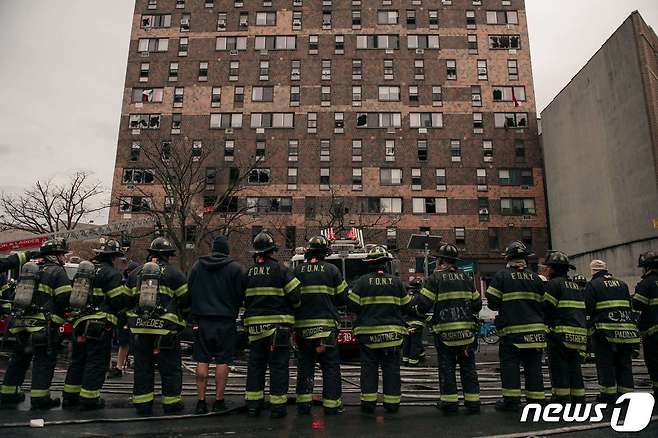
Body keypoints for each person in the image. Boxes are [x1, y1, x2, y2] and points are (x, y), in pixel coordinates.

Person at [0, 239, 72, 409]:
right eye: (62, 254)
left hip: (20, 324)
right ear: (54, 256)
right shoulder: (57, 271)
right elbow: (64, 298)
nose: (63, 257)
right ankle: (40, 398)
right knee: (43, 361)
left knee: (19, 358)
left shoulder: (29, 271)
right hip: (44, 326)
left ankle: (8, 393)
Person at [413, 244, 482, 415]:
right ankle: (473, 403)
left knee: (447, 368)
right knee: (468, 369)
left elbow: (423, 305)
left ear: (441, 260)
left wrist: (413, 310)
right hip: (467, 335)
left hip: (445, 335)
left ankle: (450, 403)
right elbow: (477, 305)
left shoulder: (435, 279)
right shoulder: (466, 279)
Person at [126, 237, 190, 416]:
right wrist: (182, 321)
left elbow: (126, 300)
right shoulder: (175, 274)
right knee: (170, 368)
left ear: (151, 253)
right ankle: (171, 404)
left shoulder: (135, 274)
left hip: (140, 329)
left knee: (142, 367)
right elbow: (185, 301)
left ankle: (142, 404)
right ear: (168, 256)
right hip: (166, 330)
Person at [62, 240, 128, 410]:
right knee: (96, 361)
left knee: (77, 360)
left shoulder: (84, 271)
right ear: (114, 258)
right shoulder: (112, 274)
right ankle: (89, 398)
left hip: (79, 322)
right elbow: (117, 301)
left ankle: (70, 396)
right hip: (99, 325)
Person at [243, 231, 301, 418]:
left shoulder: (248, 273)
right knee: (278, 367)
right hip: (279, 329)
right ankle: (277, 407)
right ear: (271, 251)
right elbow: (296, 297)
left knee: (255, 366)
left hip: (255, 329)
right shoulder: (281, 270)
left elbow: (242, 299)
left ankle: (253, 405)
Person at [348, 246, 410, 414]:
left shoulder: (361, 282)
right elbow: (407, 307)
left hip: (368, 336)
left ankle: (368, 404)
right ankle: (392, 404)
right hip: (393, 336)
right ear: (386, 264)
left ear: (370, 264)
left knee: (369, 369)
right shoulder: (397, 282)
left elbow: (352, 305)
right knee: (391, 370)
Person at [188, 235, 246, 415]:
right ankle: (219, 401)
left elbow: (189, 290)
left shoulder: (197, 266)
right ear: (227, 250)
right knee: (223, 361)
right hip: (226, 321)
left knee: (202, 359)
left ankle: (200, 401)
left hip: (203, 320)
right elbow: (241, 294)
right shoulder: (236, 269)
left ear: (213, 249)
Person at [486, 241, 547, 412]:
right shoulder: (536, 279)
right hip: (536, 332)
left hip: (513, 333)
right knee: (534, 366)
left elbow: (492, 302)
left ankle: (512, 401)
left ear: (508, 258)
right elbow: (544, 304)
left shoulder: (502, 276)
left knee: (510, 366)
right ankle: (536, 400)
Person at [293, 236, 347, 415]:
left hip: (303, 329)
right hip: (326, 330)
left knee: (305, 366)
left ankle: (303, 405)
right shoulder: (332, 270)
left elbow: (291, 298)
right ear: (325, 253)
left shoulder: (298, 271)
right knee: (330, 367)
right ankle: (331, 406)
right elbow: (342, 298)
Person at [585, 259, 639, 402]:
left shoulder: (593, 285)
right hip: (626, 331)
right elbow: (629, 305)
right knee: (624, 364)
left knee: (605, 364)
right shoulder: (622, 284)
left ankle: (608, 395)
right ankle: (626, 395)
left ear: (592, 271)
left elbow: (588, 308)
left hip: (604, 332)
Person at [542, 251, 587, 404]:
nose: (547, 271)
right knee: (574, 366)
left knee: (559, 367)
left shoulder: (554, 285)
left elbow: (547, 307)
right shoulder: (575, 286)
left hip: (560, 334)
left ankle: (561, 397)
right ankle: (578, 396)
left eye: (548, 268)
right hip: (578, 334)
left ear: (554, 269)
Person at [108, 260, 139, 379]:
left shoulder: (126, 283)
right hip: (127, 317)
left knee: (126, 343)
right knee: (124, 343)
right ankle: (119, 367)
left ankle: (119, 367)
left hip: (127, 317)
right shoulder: (130, 283)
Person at [633, 251, 658, 397]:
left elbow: (637, 304)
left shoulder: (646, 283)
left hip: (653, 333)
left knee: (654, 363)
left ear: (646, 268)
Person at [0, 250, 39, 315]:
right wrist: (28, 255)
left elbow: (5, 292)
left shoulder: (1, 276)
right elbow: (8, 262)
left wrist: (6, 311)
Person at [402, 278, 426, 367]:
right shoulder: (421, 298)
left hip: (406, 324)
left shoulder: (407, 298)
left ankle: (405, 360)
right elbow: (424, 310)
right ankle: (413, 362)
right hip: (417, 324)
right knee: (415, 343)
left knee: (407, 342)